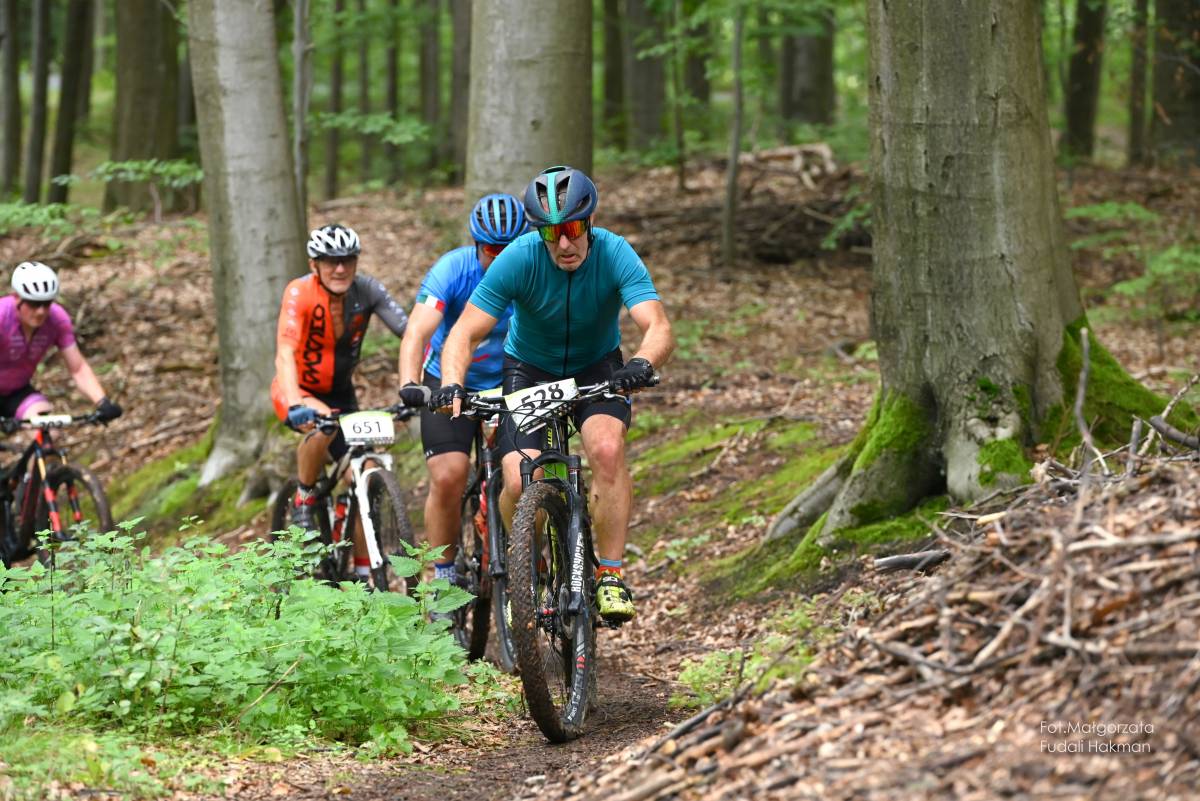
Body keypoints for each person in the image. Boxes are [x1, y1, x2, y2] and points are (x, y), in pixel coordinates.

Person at [432, 166, 674, 623]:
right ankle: (527, 565)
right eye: (550, 233)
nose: (563, 244)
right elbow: (464, 332)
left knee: (606, 449)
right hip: (530, 369)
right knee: (519, 479)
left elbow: (657, 324)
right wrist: (451, 384)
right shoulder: (519, 257)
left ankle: (611, 575)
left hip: (597, 366)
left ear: (590, 222)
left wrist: (642, 363)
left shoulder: (614, 252)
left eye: (573, 229)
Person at [397, 194, 525, 589]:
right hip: (450, 380)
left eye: (509, 250)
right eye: (491, 250)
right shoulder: (452, 269)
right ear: (476, 245)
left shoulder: (532, 269)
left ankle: (525, 566)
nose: (500, 259)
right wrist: (409, 382)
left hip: (512, 378)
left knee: (522, 471)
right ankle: (444, 577)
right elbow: (417, 331)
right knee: (450, 475)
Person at [271, 224, 409, 580]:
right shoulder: (299, 292)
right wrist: (294, 402)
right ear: (314, 264)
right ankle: (304, 497)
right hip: (297, 388)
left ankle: (363, 575)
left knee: (364, 476)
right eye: (331, 261)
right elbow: (285, 353)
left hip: (341, 394)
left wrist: (420, 384)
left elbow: (411, 333)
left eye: (348, 260)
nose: (340, 268)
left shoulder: (367, 290)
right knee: (323, 425)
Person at [0, 261, 122, 427]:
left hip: (17, 391)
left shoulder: (56, 319)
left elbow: (78, 368)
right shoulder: (2, 315)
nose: (41, 311)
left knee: (47, 429)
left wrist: (102, 402)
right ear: (16, 297)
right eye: (34, 304)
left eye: (47, 303)